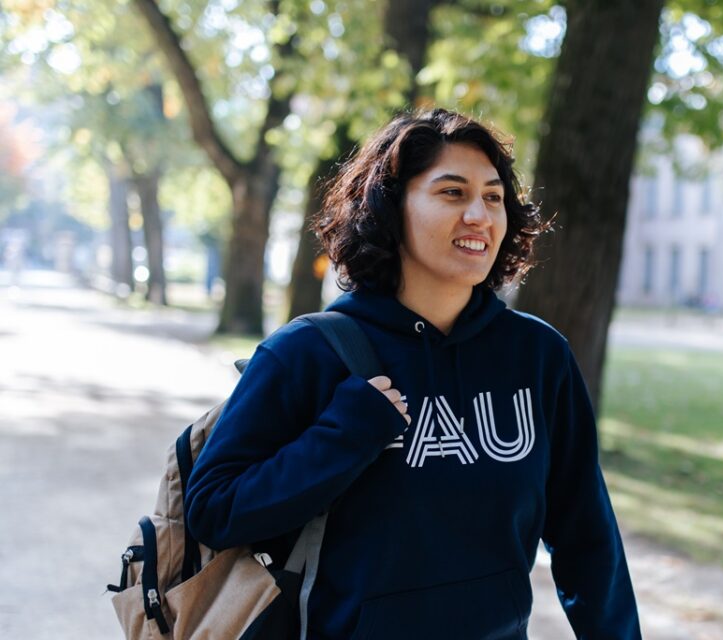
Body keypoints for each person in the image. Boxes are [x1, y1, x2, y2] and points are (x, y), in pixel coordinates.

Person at [184, 108, 641, 639]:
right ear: (389, 207)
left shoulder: (539, 356)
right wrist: (343, 435)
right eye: (452, 193)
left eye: (493, 197)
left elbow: (588, 535)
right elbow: (214, 510)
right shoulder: (308, 352)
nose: (480, 215)